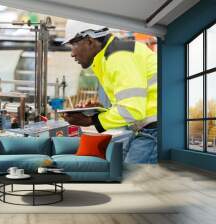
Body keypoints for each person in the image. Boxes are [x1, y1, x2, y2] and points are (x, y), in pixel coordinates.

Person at [63, 27, 158, 164]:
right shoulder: (110, 56)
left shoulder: (119, 56)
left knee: (131, 178)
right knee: (121, 171)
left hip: (154, 130)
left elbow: (132, 110)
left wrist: (92, 120)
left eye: (73, 44)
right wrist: (100, 110)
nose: (72, 54)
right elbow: (132, 106)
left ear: (90, 41)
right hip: (146, 129)